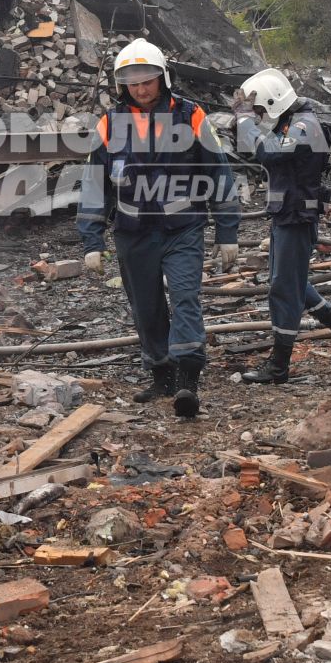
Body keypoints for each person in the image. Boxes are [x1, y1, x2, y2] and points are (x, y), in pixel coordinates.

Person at [78, 39, 241, 417]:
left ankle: (188, 376)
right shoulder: (109, 124)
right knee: (146, 306)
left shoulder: (190, 116)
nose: (141, 88)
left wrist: (227, 230)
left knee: (185, 297)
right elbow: (93, 183)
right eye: (132, 82)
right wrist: (91, 238)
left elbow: (218, 171)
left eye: (147, 79)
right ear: (122, 86)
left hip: (182, 227)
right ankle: (161, 374)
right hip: (133, 233)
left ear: (162, 78)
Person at [232, 68, 331, 384]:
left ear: (274, 101)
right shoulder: (292, 121)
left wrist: (244, 121)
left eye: (262, 110)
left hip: (297, 217)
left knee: (284, 288)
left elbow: (269, 152)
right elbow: (261, 149)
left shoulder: (303, 126)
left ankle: (279, 365)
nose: (260, 116)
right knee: (289, 281)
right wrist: (243, 124)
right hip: (287, 214)